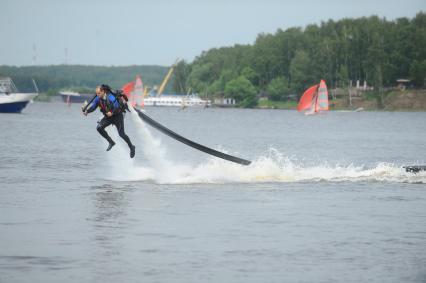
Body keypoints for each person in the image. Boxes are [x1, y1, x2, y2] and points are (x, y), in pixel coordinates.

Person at [83, 84, 135, 158]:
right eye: (97, 94)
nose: (97, 95)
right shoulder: (98, 98)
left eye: (99, 93)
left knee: (121, 134)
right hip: (108, 117)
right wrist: (87, 111)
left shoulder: (110, 97)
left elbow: (116, 107)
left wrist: (112, 112)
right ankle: (111, 142)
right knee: (99, 127)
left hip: (117, 116)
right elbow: (93, 106)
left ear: (103, 91)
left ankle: (131, 147)